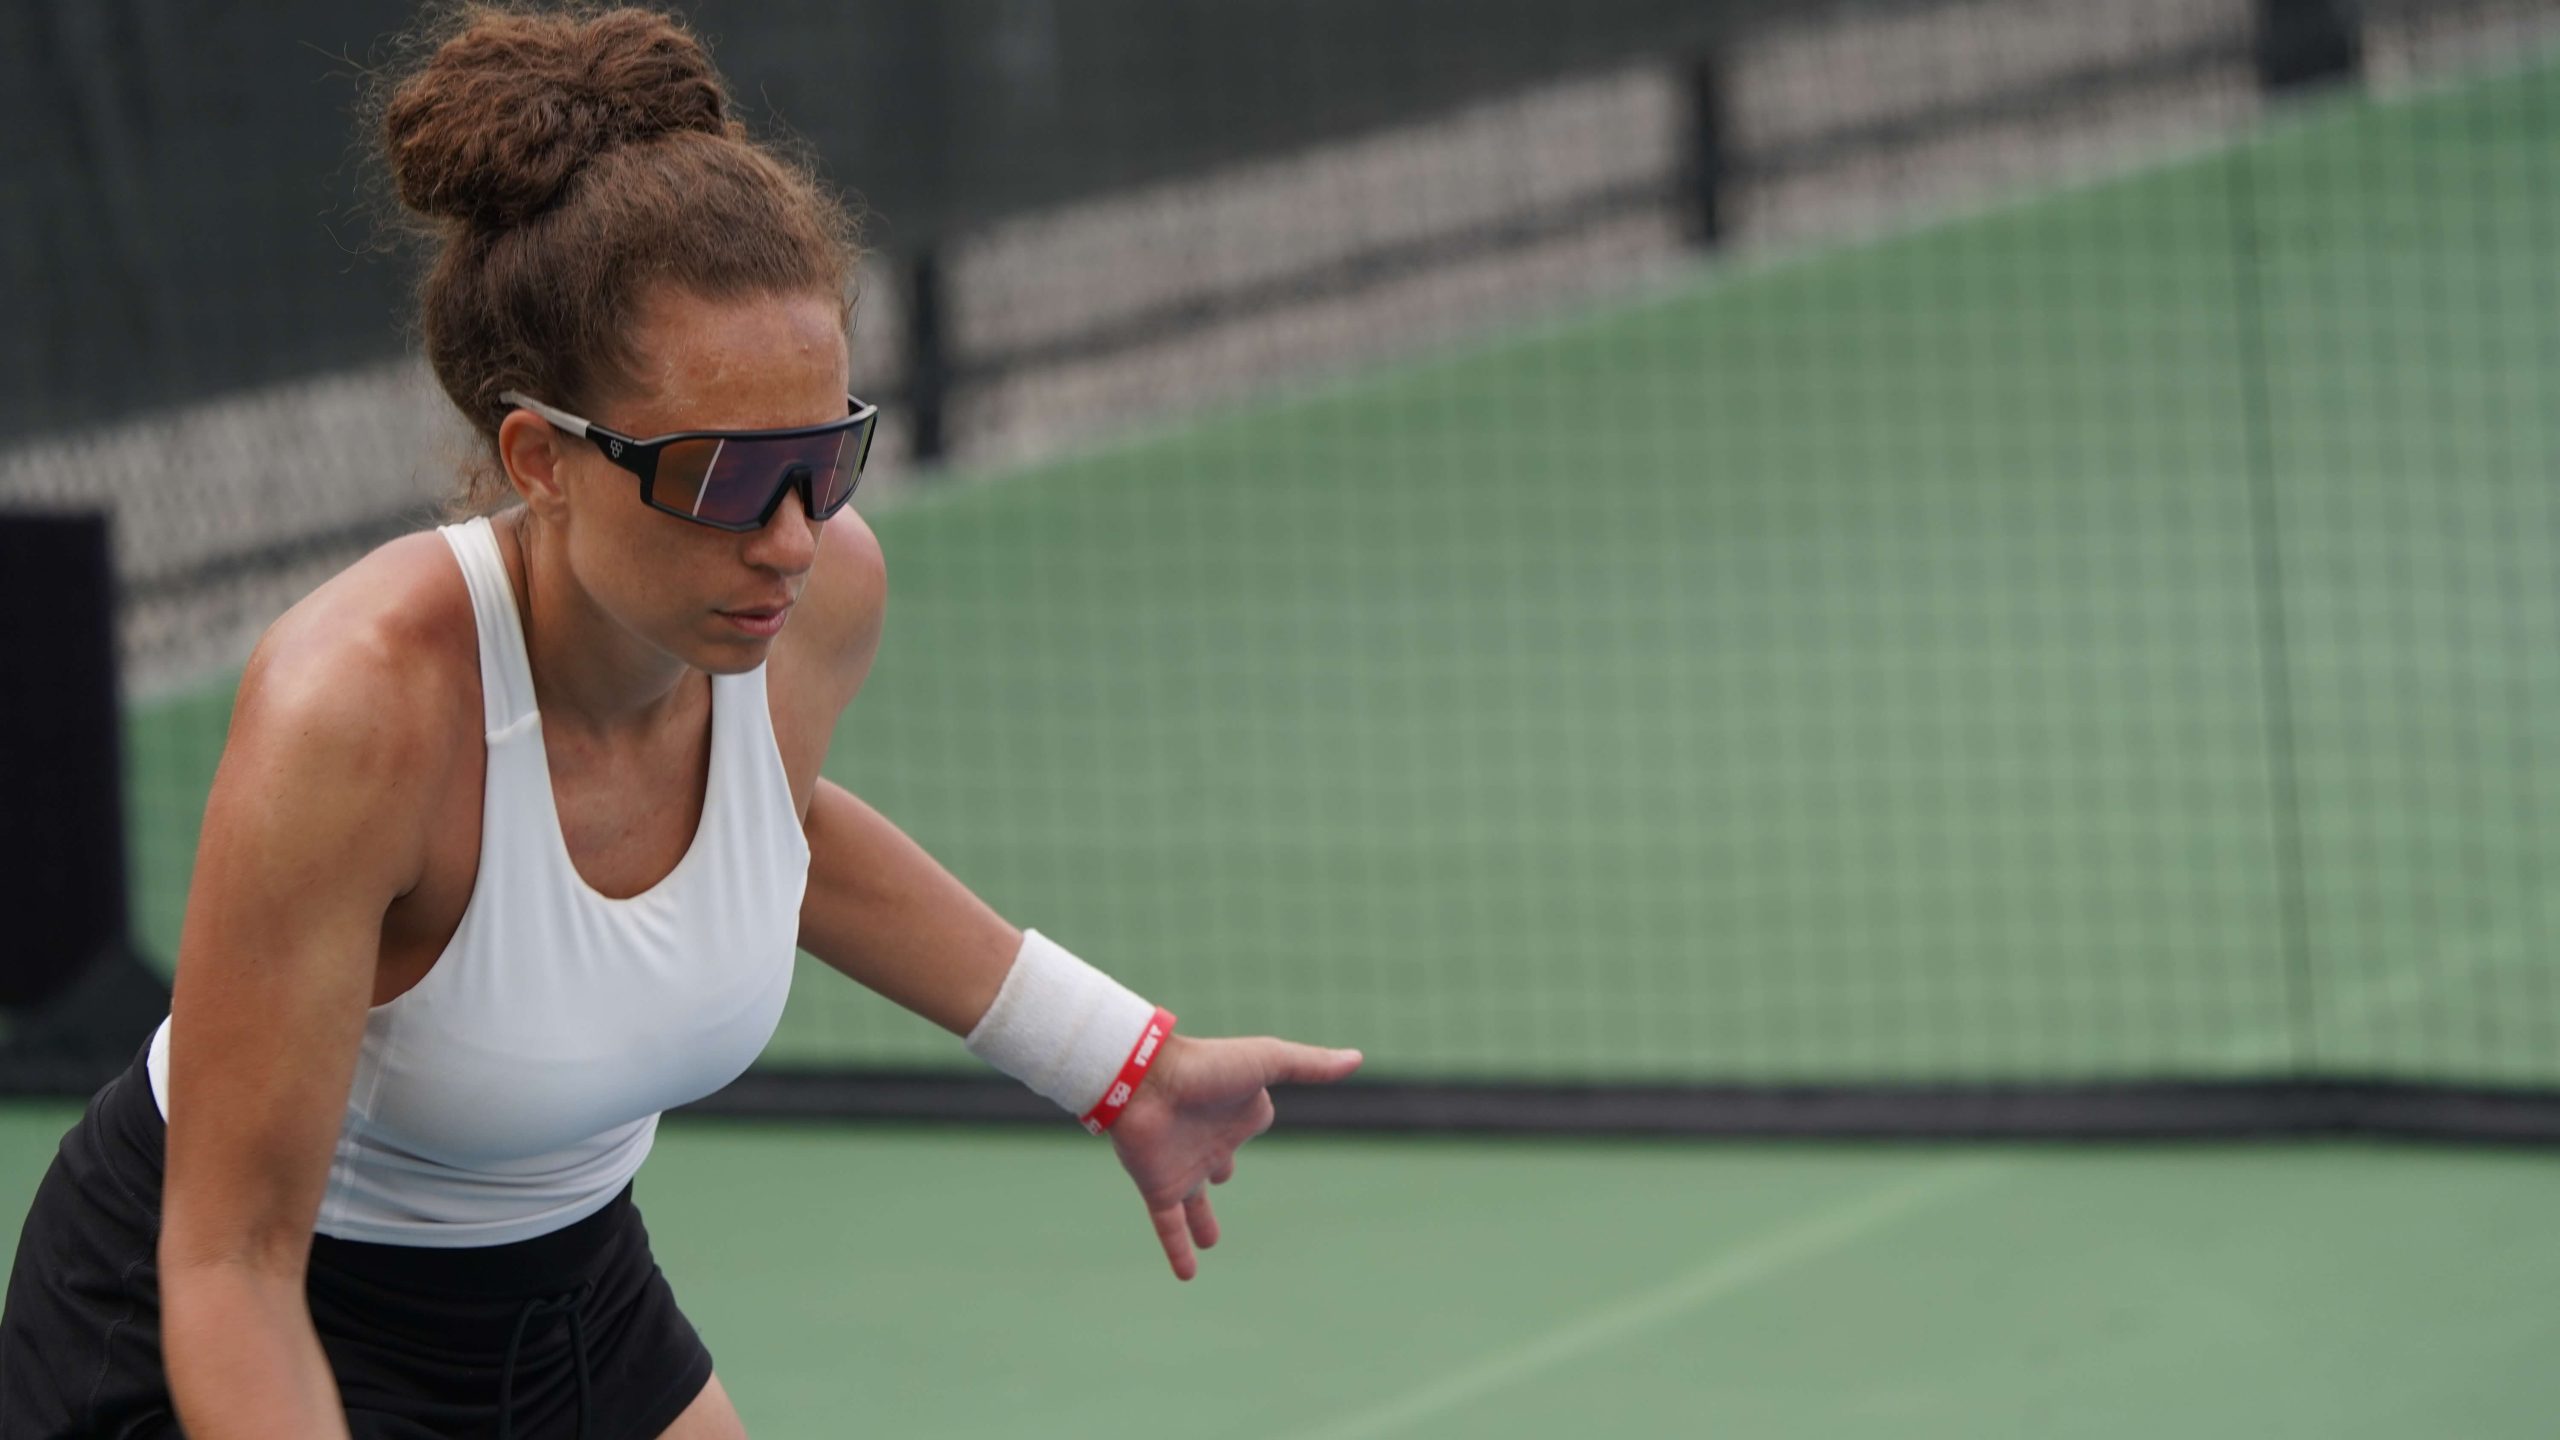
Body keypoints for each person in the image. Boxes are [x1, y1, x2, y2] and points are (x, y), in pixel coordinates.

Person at [0, 6, 1363, 1436]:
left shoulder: (814, 597)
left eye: (824, 458)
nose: (789, 535)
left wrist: (1114, 1061)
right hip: (227, 1326)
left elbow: (768, 834)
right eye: (724, 475)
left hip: (571, 1296)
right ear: (541, 458)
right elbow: (227, 1265)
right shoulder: (361, 714)